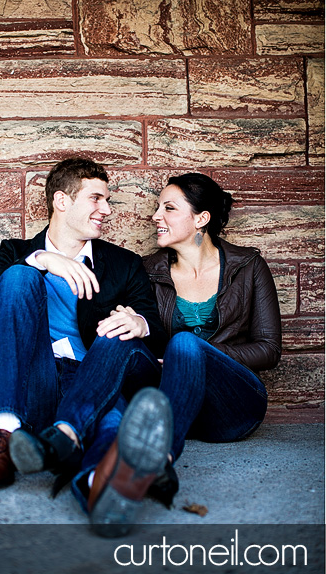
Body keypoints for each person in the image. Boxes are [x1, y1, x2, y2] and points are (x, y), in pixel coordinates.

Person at [72, 173, 282, 536]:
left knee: (185, 344)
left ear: (201, 219)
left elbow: (268, 348)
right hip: (170, 400)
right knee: (118, 336)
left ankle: (155, 452)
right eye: (157, 207)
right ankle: (144, 462)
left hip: (230, 406)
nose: (156, 215)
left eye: (168, 207)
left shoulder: (248, 267)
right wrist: (128, 321)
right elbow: (138, 335)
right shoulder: (149, 271)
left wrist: (200, 354)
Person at [0, 157, 169, 496]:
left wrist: (139, 322)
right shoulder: (18, 252)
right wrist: (40, 260)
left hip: (91, 378)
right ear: (62, 201)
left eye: (108, 200)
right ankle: (4, 433)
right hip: (35, 378)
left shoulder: (123, 264)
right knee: (17, 276)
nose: (106, 209)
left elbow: (158, 335)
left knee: (111, 422)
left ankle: (99, 483)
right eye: (96, 198)